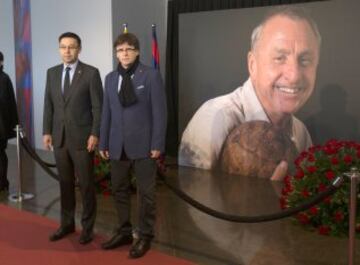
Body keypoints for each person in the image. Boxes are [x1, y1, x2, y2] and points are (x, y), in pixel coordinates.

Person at [179, 6, 320, 180]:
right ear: (253, 64)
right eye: (279, 58)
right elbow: (192, 201)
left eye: (305, 60)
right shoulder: (215, 118)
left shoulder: (300, 132)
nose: (294, 76)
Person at [99, 33, 167, 258]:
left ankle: (145, 235)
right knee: (119, 190)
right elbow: (106, 113)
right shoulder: (110, 78)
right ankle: (125, 231)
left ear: (137, 51)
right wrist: (104, 141)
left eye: (128, 49)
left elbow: (159, 113)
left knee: (146, 193)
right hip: (117, 145)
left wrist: (157, 143)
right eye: (120, 50)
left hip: (145, 146)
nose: (124, 54)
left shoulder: (150, 75)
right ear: (116, 53)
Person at [43, 32, 103, 244]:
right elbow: (48, 105)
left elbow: (98, 107)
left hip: (82, 139)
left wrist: (95, 133)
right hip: (59, 138)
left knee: (86, 185)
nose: (67, 51)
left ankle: (87, 228)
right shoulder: (51, 73)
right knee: (65, 184)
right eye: (63, 47)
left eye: (71, 47)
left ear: (79, 49)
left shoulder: (90, 73)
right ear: (59, 49)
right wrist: (47, 131)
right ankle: (67, 225)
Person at [0, 51, 18, 192]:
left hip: (1, 126)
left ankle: (2, 182)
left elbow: (9, 104)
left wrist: (10, 128)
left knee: (0, 154)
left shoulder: (4, 79)